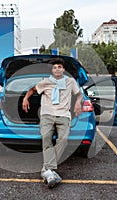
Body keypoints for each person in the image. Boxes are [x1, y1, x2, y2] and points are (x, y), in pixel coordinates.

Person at [22, 58, 83, 188]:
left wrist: (78, 102)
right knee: (46, 138)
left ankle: (47, 169)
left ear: (63, 69)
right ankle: (50, 171)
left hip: (63, 115)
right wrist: (25, 99)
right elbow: (32, 90)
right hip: (47, 115)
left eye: (59, 67)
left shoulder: (70, 81)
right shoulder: (46, 82)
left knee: (63, 139)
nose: (57, 69)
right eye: (55, 67)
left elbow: (79, 94)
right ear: (52, 70)